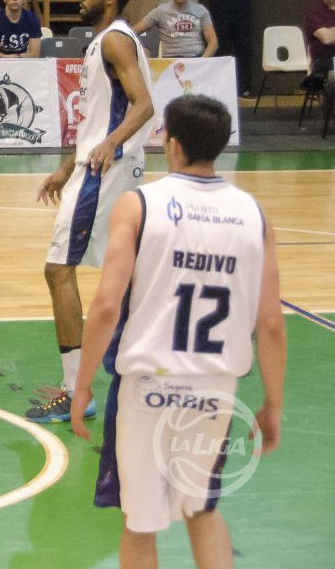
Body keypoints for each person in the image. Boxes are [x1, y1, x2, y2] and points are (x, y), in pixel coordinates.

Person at [71, 94, 286, 569]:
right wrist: (273, 402)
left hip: (147, 387)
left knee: (140, 522)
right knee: (202, 509)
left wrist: (82, 383)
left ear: (172, 143)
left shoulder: (139, 204)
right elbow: (270, 322)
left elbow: (106, 306)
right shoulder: (254, 214)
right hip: (215, 388)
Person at [27, 0, 153, 423]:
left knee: (59, 269)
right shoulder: (105, 41)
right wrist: (67, 168)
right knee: (124, 273)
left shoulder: (116, 39)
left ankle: (77, 391)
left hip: (105, 171)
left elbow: (144, 104)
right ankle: (142, 367)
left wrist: (109, 145)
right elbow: (96, 121)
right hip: (97, 167)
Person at [131, 0, 218, 59]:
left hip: (196, 58)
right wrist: (143, 49)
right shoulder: (160, 11)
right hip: (170, 61)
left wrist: (202, 61)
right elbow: (132, 31)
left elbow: (213, 42)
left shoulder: (201, 10)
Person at [303, 0, 335, 80]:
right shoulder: (315, 12)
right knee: (333, 76)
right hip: (323, 63)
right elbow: (326, 38)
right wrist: (329, 34)